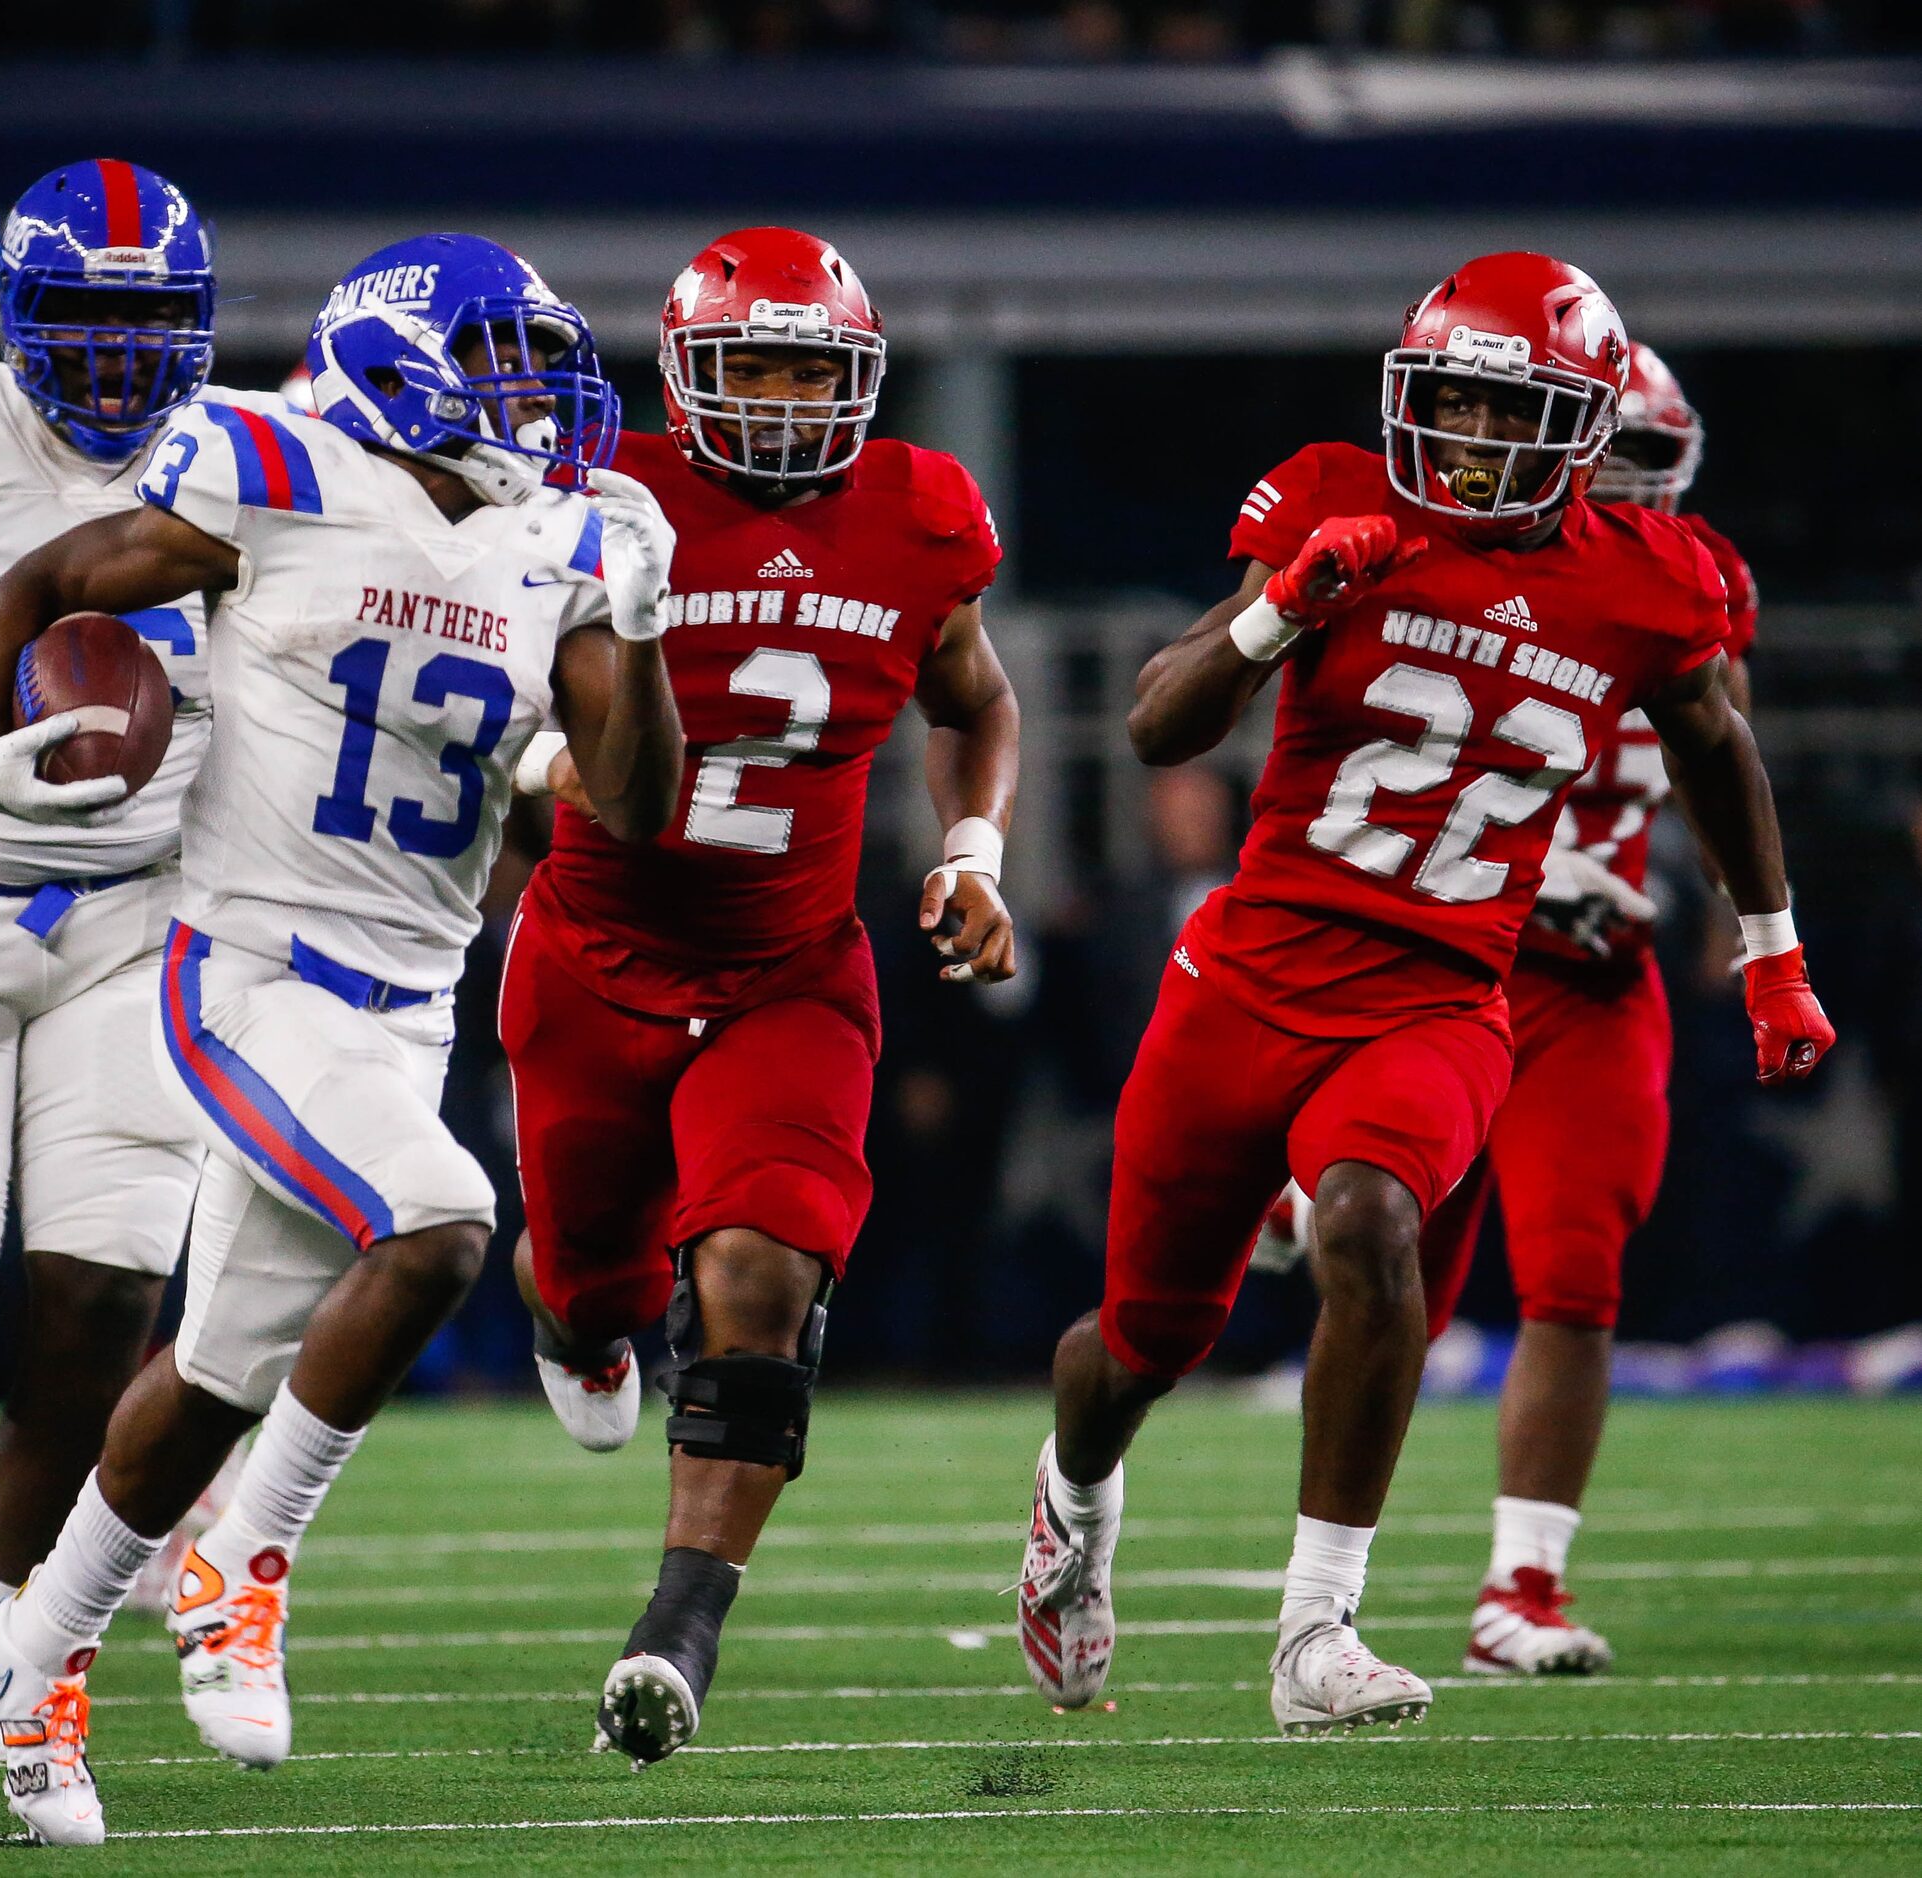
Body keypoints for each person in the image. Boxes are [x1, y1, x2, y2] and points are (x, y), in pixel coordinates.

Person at [1015, 252, 1833, 1735]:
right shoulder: (1343, 495)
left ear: (1578, 427)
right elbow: (1152, 723)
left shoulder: (1647, 578)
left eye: (1499, 407)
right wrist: (1274, 614)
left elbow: (1714, 742)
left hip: (1447, 990)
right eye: (1443, 399)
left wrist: (1766, 937)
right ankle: (1071, 1499)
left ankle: (1316, 1627)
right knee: (1141, 1345)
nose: (1460, 434)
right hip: (1248, 978)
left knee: (1373, 1224)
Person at [0, 233, 683, 1845]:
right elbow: (48, 584)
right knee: (442, 1223)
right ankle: (243, 1559)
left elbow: (627, 805)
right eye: (497, 356)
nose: (530, 392)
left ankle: (35, 1672)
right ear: (399, 356)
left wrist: (640, 631)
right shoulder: (275, 464)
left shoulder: (552, 537)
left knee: (211, 1376)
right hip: (252, 970)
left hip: (405, 1010)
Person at [496, 226, 1020, 1764]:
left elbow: (972, 699)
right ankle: (575, 1308)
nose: (788, 401)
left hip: (792, 970)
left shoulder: (920, 514)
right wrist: (538, 777)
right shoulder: (596, 492)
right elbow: (482, 678)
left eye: (814, 368)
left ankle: (676, 1634)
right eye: (756, 367)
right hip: (593, 961)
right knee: (588, 1278)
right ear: (682, 375)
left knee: (761, 1276)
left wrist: (971, 847)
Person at [0, 160, 284, 1761]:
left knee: (97, 1300)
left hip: (148, 910)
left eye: (144, 318)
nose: (109, 355)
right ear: (15, 315)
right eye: (77, 317)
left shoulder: (259, 449)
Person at [1422, 342, 1766, 1674]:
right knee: (1385, 1259)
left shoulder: (1696, 580)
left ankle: (1523, 1583)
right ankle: (1319, 1582)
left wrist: (1736, 917)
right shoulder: (1456, 559)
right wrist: (1532, 867)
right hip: (1444, 948)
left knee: (1574, 1275)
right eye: (1593, 458)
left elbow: (1720, 761)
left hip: (1595, 975)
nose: (1610, 490)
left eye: (1638, 468)